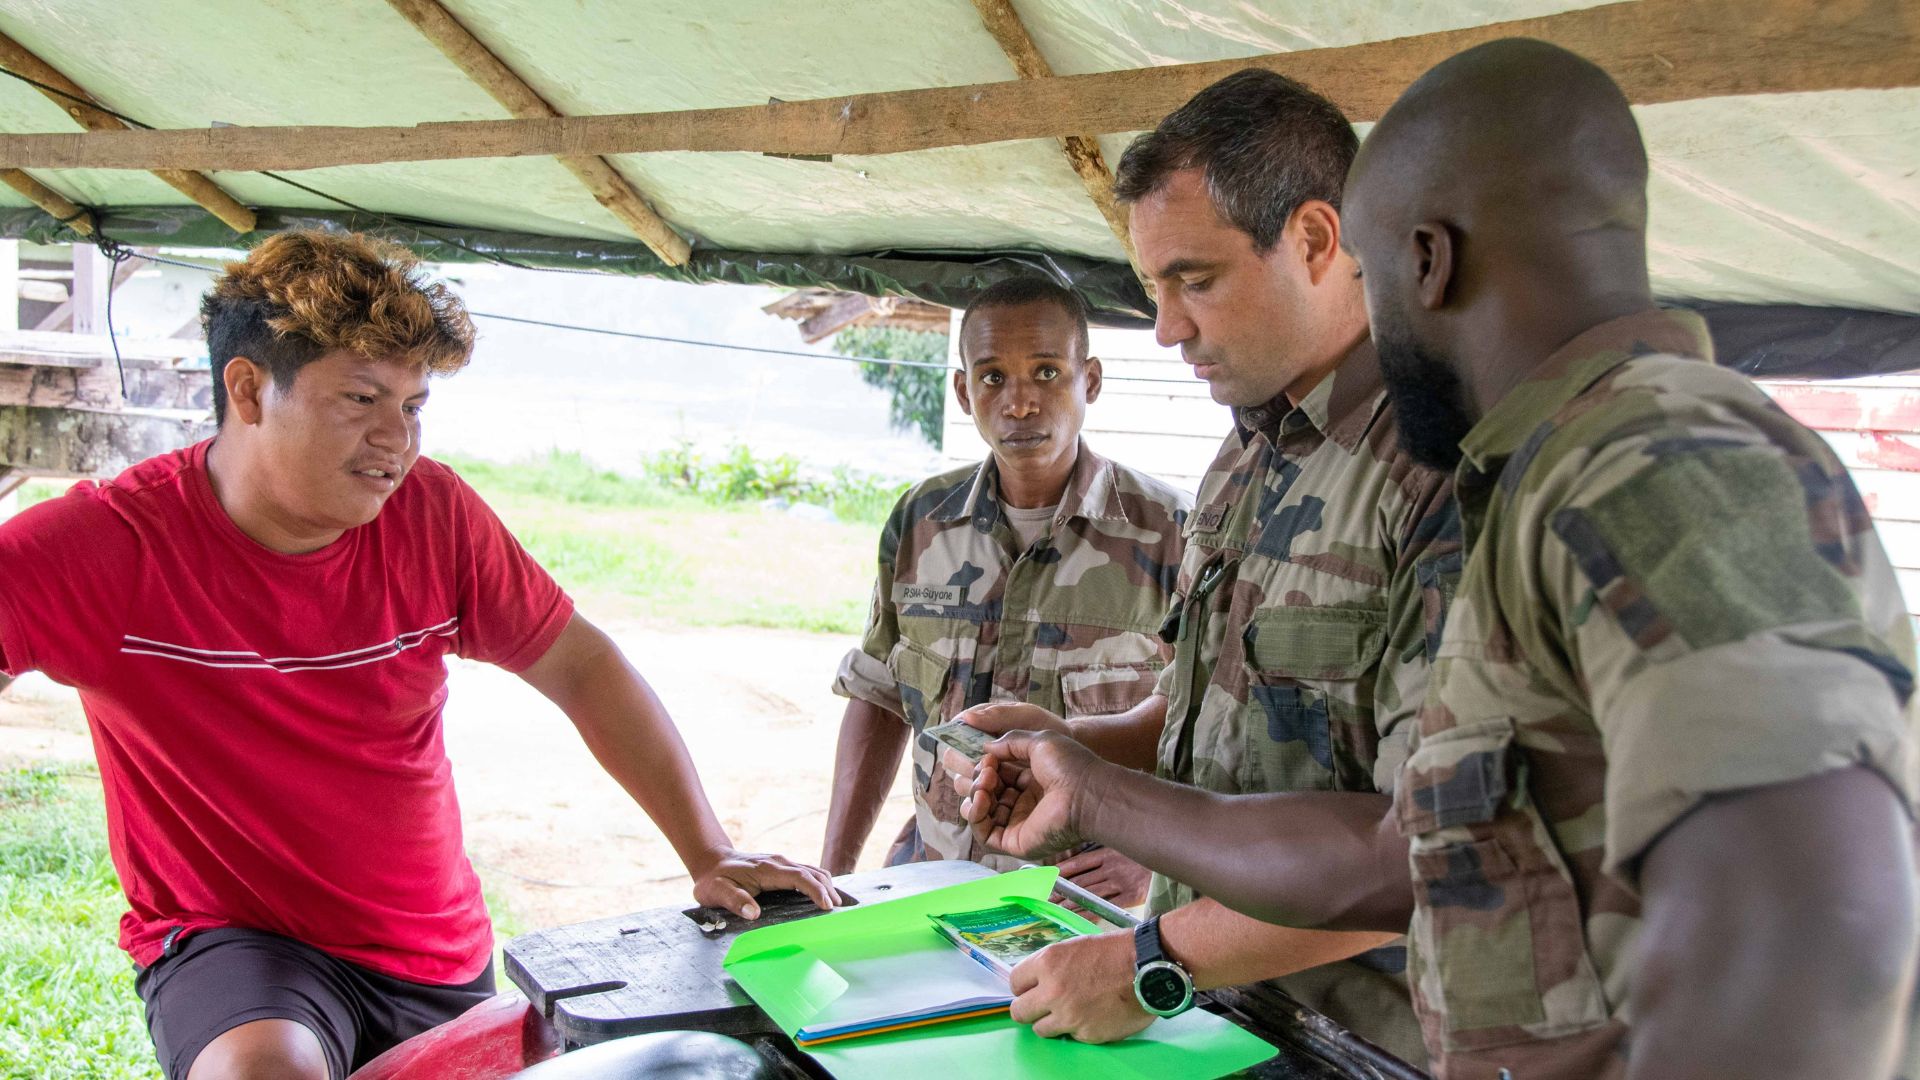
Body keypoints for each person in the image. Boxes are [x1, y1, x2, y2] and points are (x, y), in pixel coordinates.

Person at [956, 39, 1919, 1080]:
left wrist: (1128, 884)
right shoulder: (1547, 464)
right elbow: (1436, 835)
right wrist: (1090, 770)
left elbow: (1824, 915)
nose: (1166, 326)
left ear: (1422, 259)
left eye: (1193, 279)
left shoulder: (1661, 465)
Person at [0, 231, 835, 1080]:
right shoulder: (106, 544)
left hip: (435, 952)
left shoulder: (432, 516)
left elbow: (581, 667)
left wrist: (708, 849)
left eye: (413, 406)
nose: (395, 440)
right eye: (361, 399)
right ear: (248, 390)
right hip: (237, 945)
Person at [937, 70, 1452, 1061]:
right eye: (1154, 289)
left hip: (1371, 1043)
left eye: (1196, 279)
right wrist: (1077, 748)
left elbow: (1434, 854)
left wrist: (1152, 961)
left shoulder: (1439, 467)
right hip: (1224, 1016)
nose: (1168, 327)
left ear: (1312, 239)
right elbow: (1217, 699)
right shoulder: (1249, 446)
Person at [821, 276, 1188, 903]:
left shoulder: (1171, 534)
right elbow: (879, 696)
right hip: (932, 883)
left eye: (1047, 372)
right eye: (992, 377)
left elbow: (1210, 727)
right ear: (964, 391)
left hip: (1089, 909)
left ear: (1089, 381)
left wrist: (1159, 863)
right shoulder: (921, 521)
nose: (1019, 403)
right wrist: (831, 875)